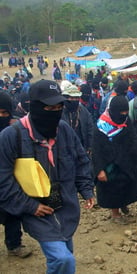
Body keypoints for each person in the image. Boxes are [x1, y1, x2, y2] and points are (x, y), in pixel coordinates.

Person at [0, 80, 94, 273]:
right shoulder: (11, 136)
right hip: (34, 208)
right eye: (49, 107)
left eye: (59, 107)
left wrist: (86, 189)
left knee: (65, 249)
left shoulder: (64, 130)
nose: (55, 112)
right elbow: (3, 180)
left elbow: (80, 160)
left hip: (64, 205)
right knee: (63, 259)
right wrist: (30, 206)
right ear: (35, 108)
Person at [93, 96, 137, 224]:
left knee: (129, 184)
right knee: (113, 189)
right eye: (121, 114)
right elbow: (96, 150)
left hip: (126, 160)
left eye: (125, 113)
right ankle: (115, 214)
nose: (123, 116)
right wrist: (99, 170)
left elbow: (132, 138)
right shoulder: (101, 126)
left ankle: (124, 204)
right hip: (110, 164)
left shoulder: (125, 120)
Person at [0, 91, 32, 258]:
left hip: (10, 179)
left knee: (13, 213)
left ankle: (14, 244)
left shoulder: (14, 130)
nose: (1, 116)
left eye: (4, 113)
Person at [60, 80, 94, 154]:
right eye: (71, 98)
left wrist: (90, 146)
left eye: (76, 98)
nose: (74, 100)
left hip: (81, 147)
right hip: (65, 150)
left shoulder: (84, 111)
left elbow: (90, 129)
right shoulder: (60, 112)